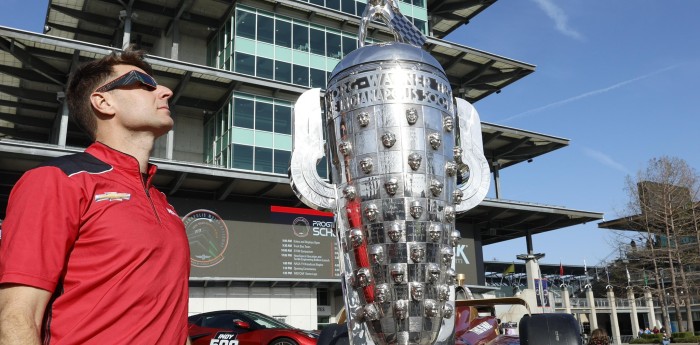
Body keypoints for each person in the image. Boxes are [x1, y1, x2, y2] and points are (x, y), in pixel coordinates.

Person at [0, 47, 191, 344]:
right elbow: (17, 317)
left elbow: (173, 321)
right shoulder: (56, 181)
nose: (165, 91)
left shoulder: (164, 204)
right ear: (103, 101)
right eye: (143, 84)